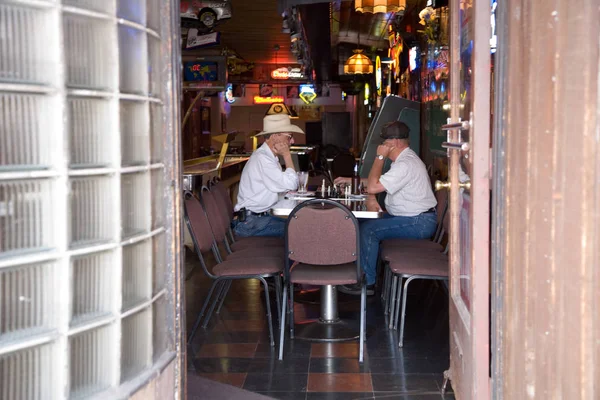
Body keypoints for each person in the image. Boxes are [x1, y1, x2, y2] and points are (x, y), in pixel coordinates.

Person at [335, 121, 437, 295]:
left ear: (395, 143)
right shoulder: (404, 160)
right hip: (410, 217)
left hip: (418, 222)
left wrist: (379, 157)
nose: (381, 146)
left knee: (370, 230)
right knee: (359, 221)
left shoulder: (406, 164)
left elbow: (374, 187)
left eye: (384, 142)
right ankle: (358, 269)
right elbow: (379, 184)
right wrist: (351, 180)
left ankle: (367, 283)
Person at [233, 114, 304, 238]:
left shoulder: (268, 156)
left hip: (258, 219)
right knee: (299, 231)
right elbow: (291, 184)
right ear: (275, 136)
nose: (292, 141)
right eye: (289, 136)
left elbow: (285, 186)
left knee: (300, 225)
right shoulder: (263, 158)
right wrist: (287, 155)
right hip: (250, 224)